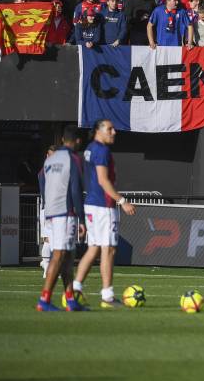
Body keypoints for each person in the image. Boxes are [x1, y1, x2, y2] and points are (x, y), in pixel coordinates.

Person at [73, 119, 136, 308]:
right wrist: (122, 201)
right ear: (98, 131)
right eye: (109, 129)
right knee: (108, 249)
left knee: (94, 249)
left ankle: (75, 289)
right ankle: (107, 296)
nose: (114, 132)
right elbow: (102, 180)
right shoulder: (101, 150)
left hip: (92, 204)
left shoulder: (91, 148)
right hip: (102, 206)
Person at [36, 126, 86, 312]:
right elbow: (75, 190)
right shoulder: (73, 159)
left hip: (51, 212)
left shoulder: (51, 160)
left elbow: (43, 182)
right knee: (59, 256)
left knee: (67, 257)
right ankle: (44, 299)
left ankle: (70, 299)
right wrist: (81, 219)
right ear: (78, 141)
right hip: (65, 213)